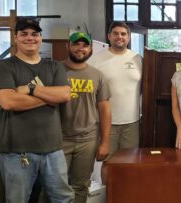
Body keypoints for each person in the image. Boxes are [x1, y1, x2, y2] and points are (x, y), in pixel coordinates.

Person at [0, 17, 74, 203]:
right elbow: (9, 102)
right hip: (17, 152)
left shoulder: (54, 66)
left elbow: (65, 95)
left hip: (53, 149)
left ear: (40, 38)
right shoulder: (3, 67)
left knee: (63, 198)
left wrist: (31, 89)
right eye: (24, 34)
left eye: (35, 34)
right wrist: (49, 97)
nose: (30, 38)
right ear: (15, 38)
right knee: (18, 200)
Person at [60, 32, 111, 203]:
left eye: (84, 45)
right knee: (54, 185)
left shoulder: (97, 75)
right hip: (59, 139)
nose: (80, 48)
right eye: (76, 44)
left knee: (81, 186)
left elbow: (104, 110)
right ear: (68, 46)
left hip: (87, 140)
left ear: (90, 49)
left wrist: (104, 142)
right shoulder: (55, 70)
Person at [88, 22, 142, 156]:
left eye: (123, 34)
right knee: (108, 164)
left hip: (132, 123)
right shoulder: (96, 59)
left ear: (128, 38)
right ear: (109, 36)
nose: (120, 37)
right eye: (116, 33)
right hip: (105, 123)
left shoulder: (137, 59)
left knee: (130, 164)